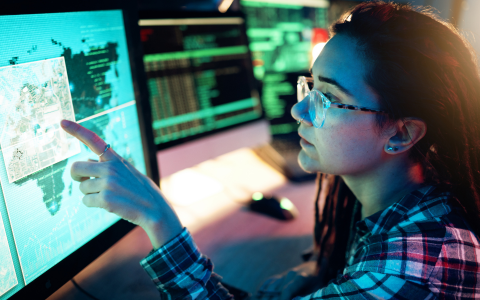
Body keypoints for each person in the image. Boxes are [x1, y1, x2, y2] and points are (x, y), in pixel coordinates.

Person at [60, 1, 480, 299]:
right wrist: (324, 273)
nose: (298, 108)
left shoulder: (410, 274)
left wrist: (159, 217)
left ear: (402, 134)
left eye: (327, 99)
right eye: (310, 86)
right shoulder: (411, 199)